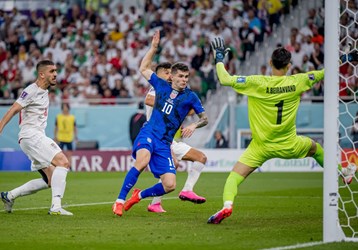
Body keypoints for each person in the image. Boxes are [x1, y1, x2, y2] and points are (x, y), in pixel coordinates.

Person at [207, 38, 357, 224]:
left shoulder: (256, 82)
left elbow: (225, 79)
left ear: (270, 62)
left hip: (260, 147)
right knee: (315, 148)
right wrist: (347, 58)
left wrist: (219, 58)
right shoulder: (299, 81)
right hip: (289, 144)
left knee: (233, 178)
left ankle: (227, 205)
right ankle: (342, 173)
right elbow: (324, 73)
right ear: (289, 66)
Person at [112, 30, 208, 217]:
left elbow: (204, 118)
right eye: (180, 76)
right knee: (142, 160)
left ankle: (140, 195)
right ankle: (119, 201)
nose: (184, 80)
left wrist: (193, 125)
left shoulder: (191, 97)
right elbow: (143, 68)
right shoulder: (160, 86)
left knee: (170, 184)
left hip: (165, 142)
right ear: (171, 76)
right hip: (149, 133)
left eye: (186, 77)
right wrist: (153, 48)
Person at [0, 60, 73, 215]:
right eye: (52, 71)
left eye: (56, 71)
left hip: (31, 138)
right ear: (41, 74)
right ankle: (56, 207)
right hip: (31, 135)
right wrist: (0, 126)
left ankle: (9, 195)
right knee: (63, 162)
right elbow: (14, 108)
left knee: (50, 180)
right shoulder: (31, 91)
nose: (55, 74)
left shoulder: (44, 91)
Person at [145, 62, 207, 213]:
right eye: (165, 73)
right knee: (172, 164)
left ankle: (185, 191)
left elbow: (193, 112)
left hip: (169, 139)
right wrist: (175, 105)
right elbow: (148, 100)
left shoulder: (177, 93)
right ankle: (136, 198)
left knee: (201, 158)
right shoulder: (158, 87)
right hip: (154, 136)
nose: (168, 75)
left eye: (169, 72)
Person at [54, 102, 78, 167]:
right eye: (64, 107)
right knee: (59, 154)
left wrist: (76, 137)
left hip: (69, 137)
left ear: (68, 108)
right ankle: (59, 166)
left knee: (69, 154)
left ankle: (69, 167)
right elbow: (56, 127)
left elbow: (75, 127)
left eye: (66, 107)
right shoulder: (58, 117)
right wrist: (55, 136)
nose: (65, 108)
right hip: (60, 137)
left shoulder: (72, 117)